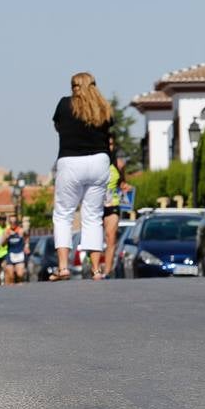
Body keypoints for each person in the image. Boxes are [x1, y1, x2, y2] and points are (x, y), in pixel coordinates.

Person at [52, 72, 114, 281]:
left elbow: (58, 126)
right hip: (99, 161)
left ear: (73, 87)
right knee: (93, 216)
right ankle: (96, 270)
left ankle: (63, 267)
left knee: (64, 214)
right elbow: (108, 131)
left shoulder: (64, 104)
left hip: (71, 161)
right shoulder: (103, 107)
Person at [101, 142, 127, 277]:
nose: (110, 146)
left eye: (111, 143)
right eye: (108, 143)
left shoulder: (118, 162)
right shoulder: (96, 161)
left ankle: (107, 271)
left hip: (113, 204)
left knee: (111, 238)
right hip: (97, 206)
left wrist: (125, 186)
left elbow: (121, 182)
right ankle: (94, 266)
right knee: (96, 238)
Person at [2, 220, 27, 285]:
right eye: (11, 222)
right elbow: (2, 244)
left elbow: (27, 237)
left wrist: (26, 245)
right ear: (9, 223)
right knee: (11, 276)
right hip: (10, 254)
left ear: (17, 223)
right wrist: (6, 238)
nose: (13, 224)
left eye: (14, 222)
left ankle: (19, 285)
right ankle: (12, 288)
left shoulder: (21, 230)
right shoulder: (7, 231)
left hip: (19, 253)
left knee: (20, 274)